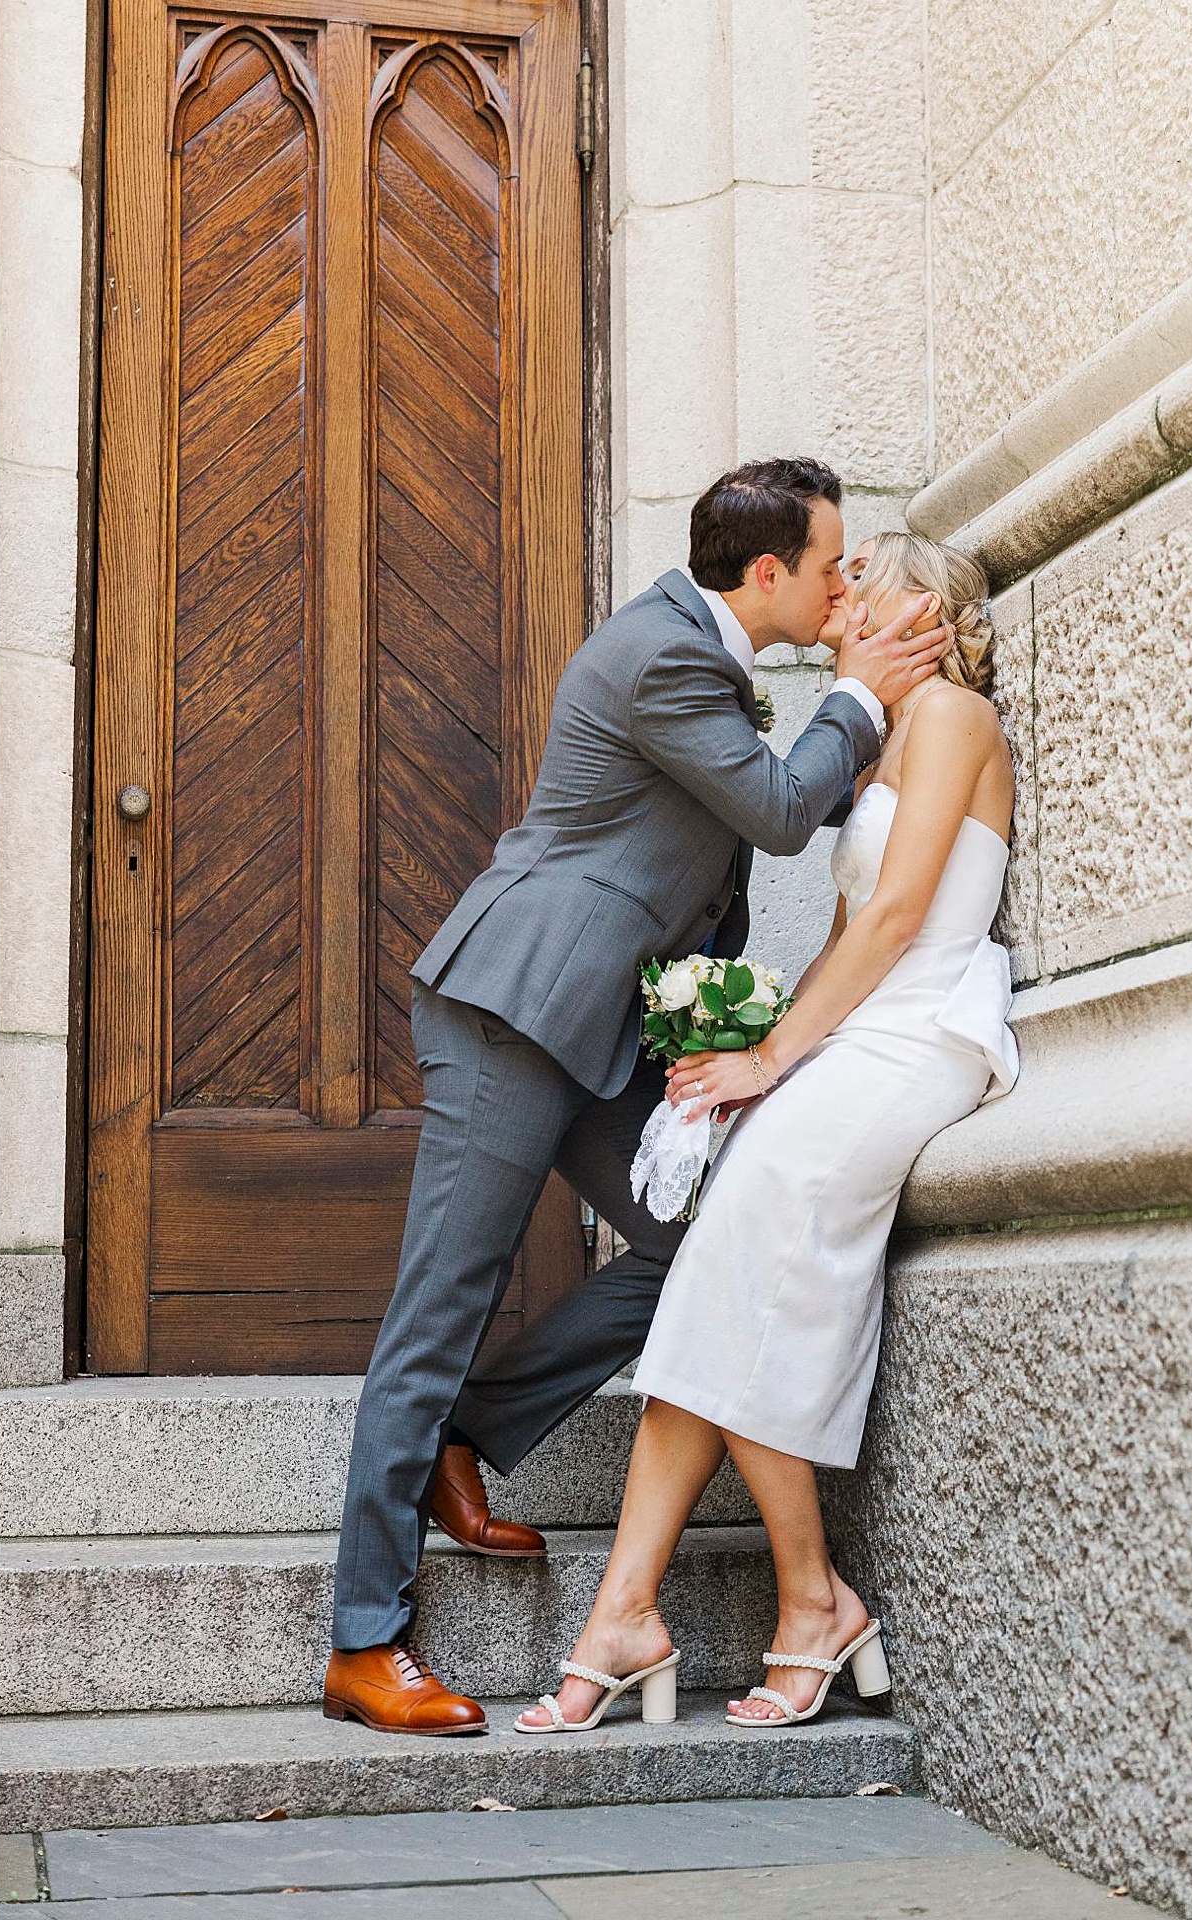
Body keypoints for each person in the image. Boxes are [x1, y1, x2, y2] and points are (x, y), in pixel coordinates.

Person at [323, 460, 953, 1736]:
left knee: (709, 1239)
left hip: (598, 1027)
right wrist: (860, 695)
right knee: (438, 1302)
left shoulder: (703, 662)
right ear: (766, 574)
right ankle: (362, 1640)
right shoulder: (661, 652)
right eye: (831, 564)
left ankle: (474, 1429)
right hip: (514, 1007)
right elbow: (781, 810)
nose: (842, 585)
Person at [511, 531, 1017, 1737]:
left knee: (726, 1252)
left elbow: (897, 920)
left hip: (921, 1034)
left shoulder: (951, 717)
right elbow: (850, 928)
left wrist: (772, 1054)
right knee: (710, 1273)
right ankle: (628, 1611)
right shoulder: (883, 743)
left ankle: (808, 1600)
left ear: (922, 611)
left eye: (861, 576)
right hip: (855, 1036)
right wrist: (761, 1056)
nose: (836, 593)